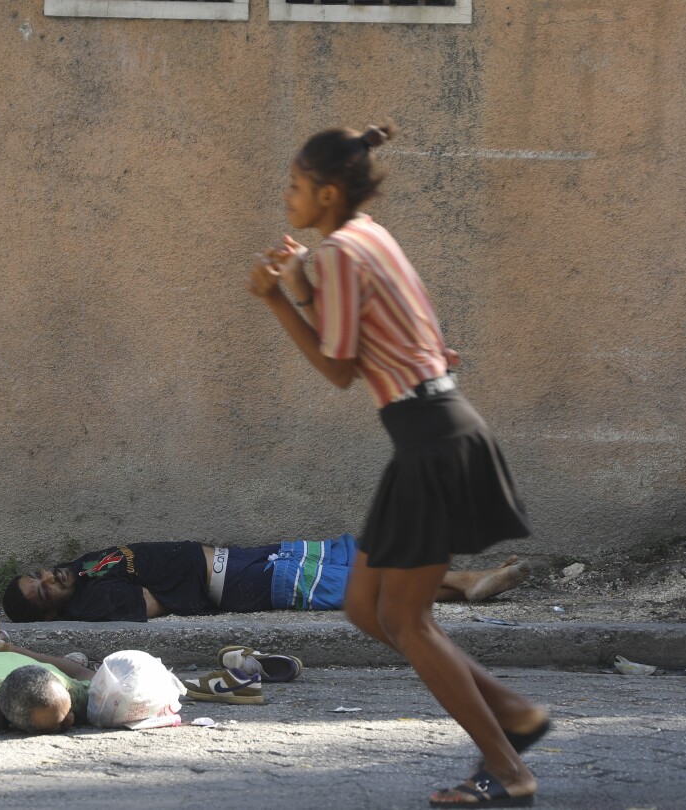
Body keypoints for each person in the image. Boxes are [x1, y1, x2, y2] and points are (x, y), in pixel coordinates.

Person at [247, 125, 546, 806]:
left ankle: (507, 769)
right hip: (432, 430)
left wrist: (276, 296)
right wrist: (301, 283)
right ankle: (517, 716)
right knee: (365, 607)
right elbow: (384, 335)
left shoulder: (344, 255)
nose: (286, 196)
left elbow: (338, 368)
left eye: (294, 185)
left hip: (432, 438)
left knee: (408, 622)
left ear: (326, 193)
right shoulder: (366, 238)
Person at [2, 537, 531, 623]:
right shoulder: (90, 603)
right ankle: (464, 580)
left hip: (238, 559)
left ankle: (464, 586)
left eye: (40, 574)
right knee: (354, 581)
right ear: (50, 611)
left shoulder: (86, 567)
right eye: (43, 590)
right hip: (235, 585)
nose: (51, 578)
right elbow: (155, 606)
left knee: (350, 567)